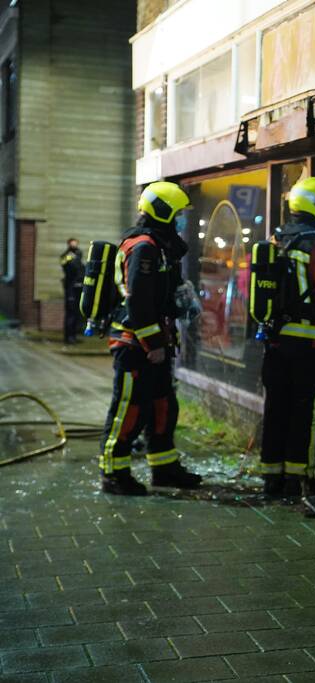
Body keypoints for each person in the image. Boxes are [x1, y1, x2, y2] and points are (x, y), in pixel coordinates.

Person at [98, 181, 203, 496]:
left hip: (155, 342)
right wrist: (153, 345)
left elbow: (161, 295)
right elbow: (139, 304)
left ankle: (164, 468)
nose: (181, 219)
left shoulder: (160, 246)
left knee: (163, 407)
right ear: (164, 211)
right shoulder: (143, 247)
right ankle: (113, 473)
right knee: (129, 409)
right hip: (135, 345)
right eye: (178, 213)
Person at [259, 177, 315, 498]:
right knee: (304, 412)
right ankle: (298, 480)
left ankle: (272, 477)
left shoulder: (275, 240)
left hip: (275, 341)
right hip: (309, 345)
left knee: (275, 409)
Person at [60, 238, 85, 344]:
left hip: (78, 287)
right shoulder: (66, 256)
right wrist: (74, 258)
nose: (75, 245)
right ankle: (68, 337)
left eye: (76, 243)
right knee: (70, 313)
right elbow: (67, 266)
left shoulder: (78, 255)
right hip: (70, 288)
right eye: (72, 243)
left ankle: (74, 335)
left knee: (76, 313)